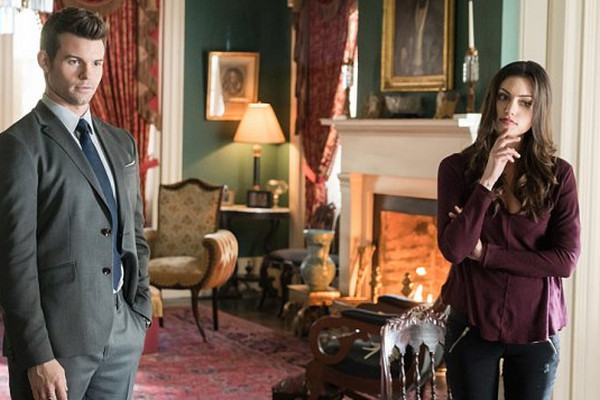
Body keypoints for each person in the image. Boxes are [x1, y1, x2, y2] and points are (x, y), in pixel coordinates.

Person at [0, 7, 151, 400]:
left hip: (122, 335)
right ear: (45, 61)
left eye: (97, 63)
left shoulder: (121, 143)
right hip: (56, 345)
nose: (88, 75)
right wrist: (37, 355)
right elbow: (14, 262)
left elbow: (135, 234)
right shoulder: (18, 146)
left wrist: (139, 311)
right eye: (74, 61)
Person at [436, 60, 580, 399]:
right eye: (504, 97)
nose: (510, 109)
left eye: (524, 102)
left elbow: (565, 261)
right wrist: (487, 180)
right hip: (471, 324)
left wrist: (486, 254)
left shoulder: (559, 176)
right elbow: (454, 250)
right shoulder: (455, 169)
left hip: (537, 327)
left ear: (538, 110)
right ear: (493, 101)